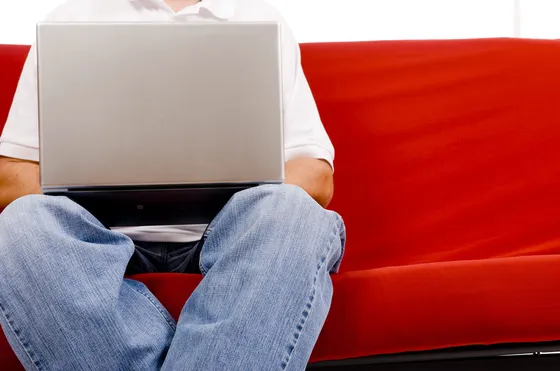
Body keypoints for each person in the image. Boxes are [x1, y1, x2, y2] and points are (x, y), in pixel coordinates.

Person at [0, 0, 346, 369]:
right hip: (96, 241)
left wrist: (239, 192)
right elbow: (10, 178)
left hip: (234, 239)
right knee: (21, 226)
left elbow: (316, 175)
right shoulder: (68, 20)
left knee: (295, 216)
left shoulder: (263, 20)